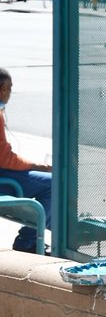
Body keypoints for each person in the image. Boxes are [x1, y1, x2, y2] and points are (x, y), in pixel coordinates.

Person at [0, 68, 52, 254]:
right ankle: (28, 240)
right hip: (4, 180)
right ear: (4, 88)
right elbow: (4, 158)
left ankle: (60, 229)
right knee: (53, 185)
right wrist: (37, 166)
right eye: (11, 89)